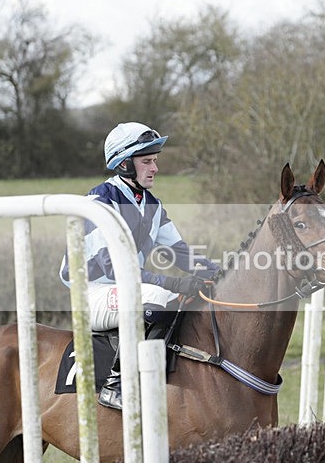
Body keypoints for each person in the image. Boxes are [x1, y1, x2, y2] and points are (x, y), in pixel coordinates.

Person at [59, 121, 219, 410]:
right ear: (124, 165)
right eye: (147, 161)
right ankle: (114, 384)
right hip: (91, 293)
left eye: (155, 160)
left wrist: (222, 270)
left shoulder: (151, 205)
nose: (155, 168)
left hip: (125, 290)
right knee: (161, 299)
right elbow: (116, 271)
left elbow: (181, 254)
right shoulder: (100, 203)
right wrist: (173, 282)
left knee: (179, 299)